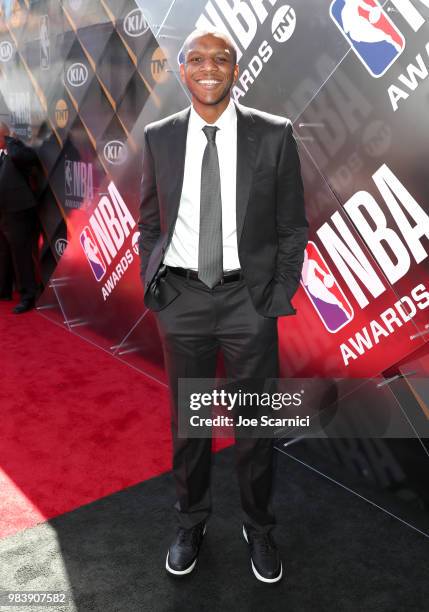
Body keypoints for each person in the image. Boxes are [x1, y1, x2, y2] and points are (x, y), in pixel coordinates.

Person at [138, 29, 308, 583]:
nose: (209, 67)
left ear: (237, 70)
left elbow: (291, 227)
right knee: (189, 424)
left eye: (222, 59)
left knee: (256, 425)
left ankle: (259, 527)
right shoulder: (159, 137)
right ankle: (191, 521)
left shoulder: (274, 135)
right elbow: (150, 224)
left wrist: (274, 296)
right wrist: (158, 288)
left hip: (247, 302)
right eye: (197, 59)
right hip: (182, 299)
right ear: (182, 70)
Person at [0, 122, 40, 313]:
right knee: (4, 252)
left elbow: (21, 157)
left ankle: (28, 295)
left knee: (21, 255)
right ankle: (4, 289)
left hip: (19, 210)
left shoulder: (18, 150)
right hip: (4, 211)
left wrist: (9, 139)